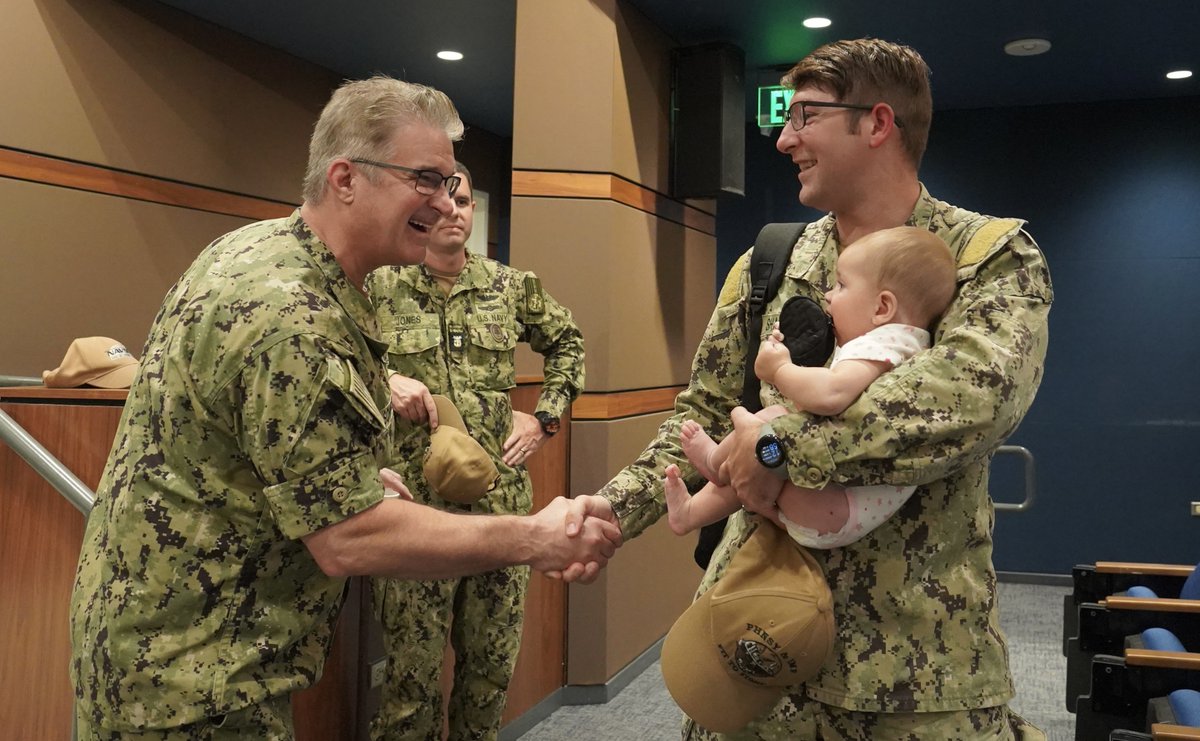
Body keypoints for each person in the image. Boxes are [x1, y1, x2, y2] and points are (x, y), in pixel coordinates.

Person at [69, 76, 617, 740]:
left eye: (451, 184)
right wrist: (534, 537)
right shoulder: (295, 317)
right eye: (425, 177)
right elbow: (349, 537)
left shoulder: (261, 251)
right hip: (192, 681)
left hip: (170, 652)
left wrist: (354, 475)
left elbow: (261, 451)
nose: (446, 204)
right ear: (345, 178)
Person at [566, 38, 1053, 739]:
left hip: (910, 672)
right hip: (753, 651)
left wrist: (774, 446)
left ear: (878, 123)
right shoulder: (771, 259)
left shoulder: (985, 257)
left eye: (805, 117)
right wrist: (615, 511)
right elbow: (702, 412)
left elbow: (968, 402)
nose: (785, 138)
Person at [364, 161, 585, 740]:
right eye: (442, 202)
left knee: (487, 673)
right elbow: (332, 358)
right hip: (415, 506)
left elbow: (568, 341)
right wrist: (382, 379)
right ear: (419, 211)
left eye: (464, 202)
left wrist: (544, 418)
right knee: (410, 679)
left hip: (499, 500)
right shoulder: (379, 285)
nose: (455, 213)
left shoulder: (510, 286)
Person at [664, 226, 957, 549]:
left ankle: (716, 466)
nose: (829, 295)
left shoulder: (882, 343)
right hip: (837, 508)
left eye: (842, 285)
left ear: (882, 308)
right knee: (769, 427)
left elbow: (829, 395)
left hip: (831, 505)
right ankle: (697, 500)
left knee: (766, 430)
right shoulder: (912, 345)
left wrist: (778, 369)